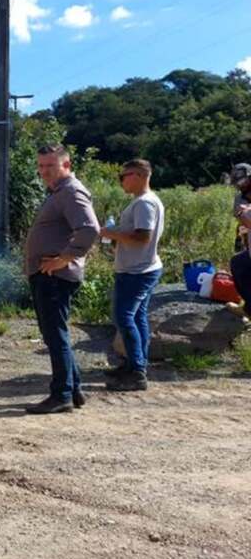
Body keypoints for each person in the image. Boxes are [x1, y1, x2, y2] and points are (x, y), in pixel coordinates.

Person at [23, 144, 100, 414]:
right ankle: (74, 389)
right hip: (49, 274)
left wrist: (63, 259)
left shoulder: (71, 191)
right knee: (56, 333)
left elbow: (90, 229)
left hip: (55, 276)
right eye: (41, 166)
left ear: (66, 165)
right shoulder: (60, 191)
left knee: (55, 335)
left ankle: (62, 395)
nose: (44, 171)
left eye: (50, 166)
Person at [99, 159, 165, 391]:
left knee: (123, 317)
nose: (121, 181)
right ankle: (135, 364)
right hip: (142, 268)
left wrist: (111, 233)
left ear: (137, 175)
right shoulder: (146, 201)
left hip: (137, 271)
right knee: (137, 318)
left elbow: (142, 236)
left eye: (123, 176)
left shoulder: (144, 203)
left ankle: (137, 372)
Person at [226, 163, 251, 324]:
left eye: (243, 180)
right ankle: (248, 307)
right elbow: (242, 221)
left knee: (240, 264)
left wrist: (245, 214)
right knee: (239, 263)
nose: (241, 185)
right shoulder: (239, 197)